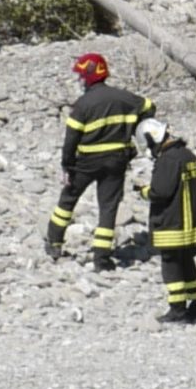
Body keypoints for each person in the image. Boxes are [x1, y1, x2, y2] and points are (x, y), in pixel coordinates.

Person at [44, 52, 154, 271]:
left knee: (68, 200)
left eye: (81, 76)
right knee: (109, 207)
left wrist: (67, 165)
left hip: (86, 162)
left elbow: (71, 139)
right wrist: (132, 129)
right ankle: (101, 259)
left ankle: (54, 242)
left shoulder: (83, 105)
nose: (79, 81)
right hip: (116, 161)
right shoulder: (125, 98)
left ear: (90, 76)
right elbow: (149, 107)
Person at [138, 118, 196, 324]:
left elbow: (161, 192)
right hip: (190, 222)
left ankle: (177, 309)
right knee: (186, 262)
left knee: (171, 264)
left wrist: (143, 191)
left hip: (171, 222)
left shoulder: (168, 160)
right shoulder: (189, 156)